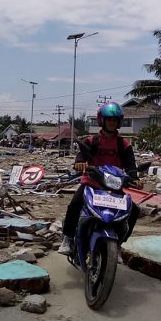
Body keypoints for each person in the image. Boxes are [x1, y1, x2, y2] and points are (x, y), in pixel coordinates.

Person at [58, 102, 142, 255]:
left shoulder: (123, 144)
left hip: (114, 186)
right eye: (109, 119)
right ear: (102, 121)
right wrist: (79, 162)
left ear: (119, 122)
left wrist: (135, 178)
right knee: (75, 204)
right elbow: (82, 154)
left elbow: (131, 165)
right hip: (92, 183)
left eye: (114, 120)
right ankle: (68, 238)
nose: (112, 122)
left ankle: (119, 243)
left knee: (134, 210)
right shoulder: (92, 140)